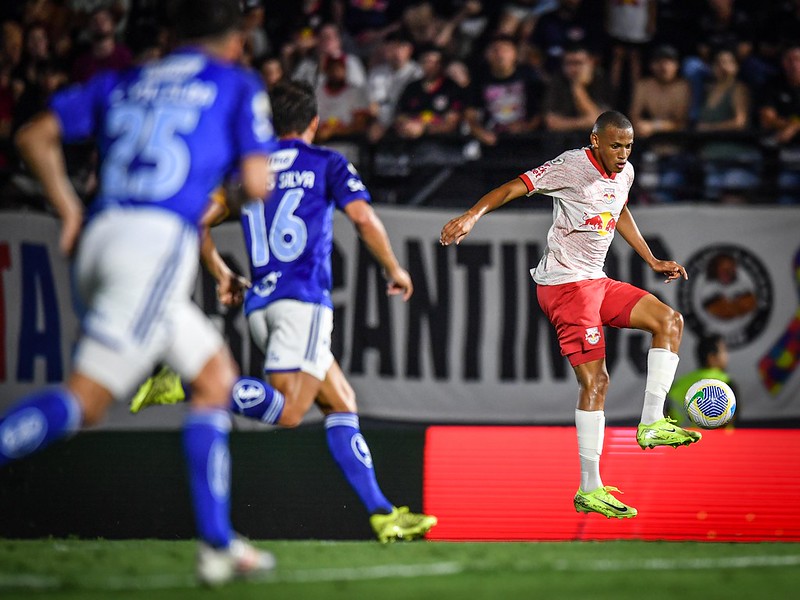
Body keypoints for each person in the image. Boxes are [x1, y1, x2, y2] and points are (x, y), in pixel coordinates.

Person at [0, 0, 277, 585]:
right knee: (88, 401)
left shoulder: (123, 79)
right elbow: (256, 184)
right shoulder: (234, 82)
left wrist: (69, 208)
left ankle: (219, 546)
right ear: (234, 42)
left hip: (103, 235)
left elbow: (32, 135)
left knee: (214, 381)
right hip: (154, 245)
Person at [131, 80, 438, 544]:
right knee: (292, 412)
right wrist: (395, 268)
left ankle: (382, 514)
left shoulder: (248, 170)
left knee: (340, 401)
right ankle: (192, 379)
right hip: (303, 301)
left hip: (260, 304)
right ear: (314, 123)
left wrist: (220, 274)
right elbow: (362, 218)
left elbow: (196, 221)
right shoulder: (326, 162)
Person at [440, 110, 701, 519]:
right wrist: (472, 215)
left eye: (629, 146)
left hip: (594, 281)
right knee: (596, 381)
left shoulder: (626, 172)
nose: (623, 153)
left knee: (669, 321)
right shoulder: (570, 166)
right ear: (596, 141)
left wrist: (650, 259)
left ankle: (651, 423)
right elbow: (514, 187)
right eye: (615, 145)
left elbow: (619, 209)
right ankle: (589, 486)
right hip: (564, 286)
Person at [668, 334, 737, 427]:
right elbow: (732, 418)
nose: (727, 356)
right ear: (711, 358)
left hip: (685, 439)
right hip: (719, 440)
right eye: (724, 351)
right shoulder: (725, 383)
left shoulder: (679, 384)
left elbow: (667, 414)